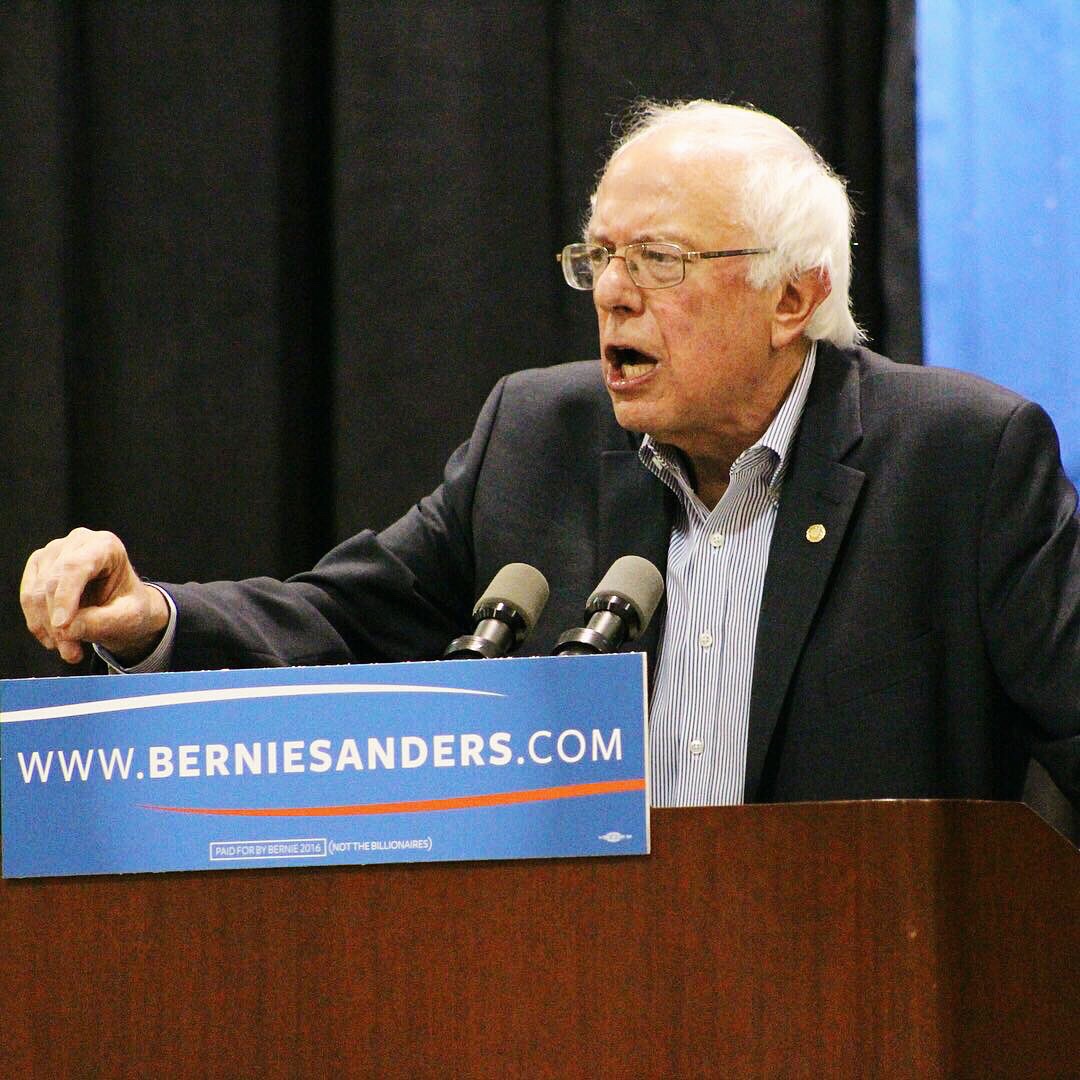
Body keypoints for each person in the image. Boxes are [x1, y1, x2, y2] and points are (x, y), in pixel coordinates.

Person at [20, 101, 1080, 808]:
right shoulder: (537, 435)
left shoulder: (962, 459)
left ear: (793, 297)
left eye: (659, 259)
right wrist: (152, 618)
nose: (613, 291)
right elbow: (344, 620)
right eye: (600, 256)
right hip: (577, 987)